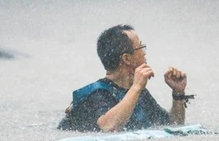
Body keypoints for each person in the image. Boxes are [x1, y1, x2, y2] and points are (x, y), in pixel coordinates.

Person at [58, 24, 193, 132]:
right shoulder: (96, 95)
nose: (145, 53)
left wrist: (178, 94)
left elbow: (173, 124)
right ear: (127, 58)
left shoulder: (140, 94)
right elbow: (108, 127)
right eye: (141, 47)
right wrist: (136, 87)